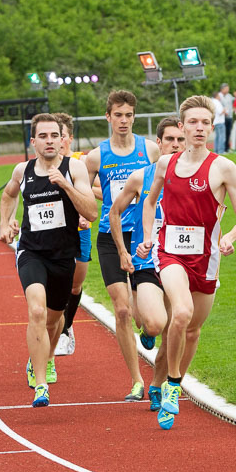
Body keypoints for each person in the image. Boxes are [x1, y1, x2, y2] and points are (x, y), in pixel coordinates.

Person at [137, 95, 236, 429]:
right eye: (193, 122)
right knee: (181, 312)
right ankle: (173, 385)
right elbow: (149, 200)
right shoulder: (165, 164)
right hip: (170, 254)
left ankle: (163, 383)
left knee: (193, 328)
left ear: (212, 128)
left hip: (207, 260)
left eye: (205, 123)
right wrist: (148, 236)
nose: (199, 128)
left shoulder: (223, 167)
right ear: (181, 127)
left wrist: (229, 237)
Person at [0, 113, 97, 407]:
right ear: (34, 141)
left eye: (54, 135)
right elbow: (7, 195)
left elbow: (91, 212)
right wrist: (5, 223)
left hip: (63, 255)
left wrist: (66, 186)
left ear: (62, 139)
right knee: (37, 311)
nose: (50, 141)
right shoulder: (22, 170)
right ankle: (40, 383)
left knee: (55, 320)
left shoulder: (74, 168)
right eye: (43, 136)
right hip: (32, 252)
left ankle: (44, 356)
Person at [82, 90, 160, 401]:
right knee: (123, 309)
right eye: (118, 115)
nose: (123, 121)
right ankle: (137, 381)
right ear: (108, 117)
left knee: (145, 318)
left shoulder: (150, 150)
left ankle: (149, 332)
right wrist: (112, 201)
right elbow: (84, 192)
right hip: (109, 237)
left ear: (134, 116)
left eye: (128, 115)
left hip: (142, 237)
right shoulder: (96, 157)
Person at [110, 117, 184, 412]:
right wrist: (122, 251)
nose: (175, 145)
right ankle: (147, 332)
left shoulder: (196, 177)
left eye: (180, 140)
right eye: (170, 140)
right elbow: (114, 213)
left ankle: (157, 384)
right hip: (146, 258)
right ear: (159, 143)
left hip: (181, 259)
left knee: (173, 330)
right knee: (155, 323)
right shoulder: (142, 177)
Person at [53, 112, 92, 360]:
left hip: (81, 231)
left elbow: (98, 190)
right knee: (55, 285)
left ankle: (67, 325)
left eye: (62, 136)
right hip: (55, 233)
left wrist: (85, 209)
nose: (58, 141)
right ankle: (56, 329)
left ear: (69, 138)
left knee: (76, 285)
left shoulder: (81, 162)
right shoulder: (43, 165)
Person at [218, 83, 234, 152]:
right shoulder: (219, 96)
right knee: (222, 134)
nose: (228, 90)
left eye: (228, 88)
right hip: (222, 118)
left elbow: (233, 102)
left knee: (228, 133)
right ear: (222, 89)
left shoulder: (229, 96)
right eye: (226, 88)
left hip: (229, 117)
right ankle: (222, 148)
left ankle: (227, 148)